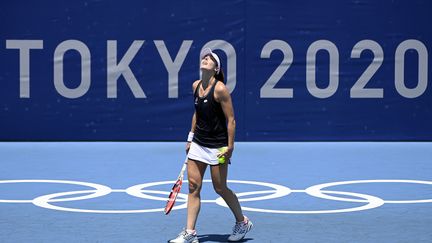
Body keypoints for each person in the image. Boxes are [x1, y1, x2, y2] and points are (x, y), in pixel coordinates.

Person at [169, 48, 253, 243]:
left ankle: (242, 222)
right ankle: (190, 232)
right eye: (205, 57)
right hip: (199, 143)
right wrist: (190, 138)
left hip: (218, 146)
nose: (206, 59)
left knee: (220, 188)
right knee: (193, 187)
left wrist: (230, 147)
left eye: (211, 59)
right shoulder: (195, 85)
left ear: (216, 68)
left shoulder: (220, 89)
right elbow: (197, 113)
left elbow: (231, 120)